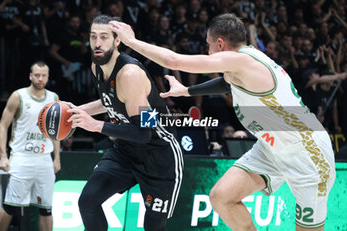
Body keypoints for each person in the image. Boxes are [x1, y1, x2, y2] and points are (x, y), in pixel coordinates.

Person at [111, 13, 336, 231]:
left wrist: (132, 41)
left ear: (220, 44)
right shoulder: (244, 62)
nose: (207, 51)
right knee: (222, 197)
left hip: (308, 153)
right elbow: (227, 82)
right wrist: (187, 91)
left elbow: (173, 60)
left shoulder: (242, 61)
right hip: (272, 149)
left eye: (208, 45)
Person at [66, 15, 183, 231]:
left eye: (104, 37)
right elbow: (111, 100)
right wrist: (76, 111)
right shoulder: (97, 66)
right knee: (88, 202)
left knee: (154, 227)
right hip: (126, 150)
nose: (97, 43)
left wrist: (95, 125)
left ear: (117, 40)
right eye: (93, 37)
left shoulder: (130, 74)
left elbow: (144, 133)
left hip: (158, 154)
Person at [0, 61, 60, 231]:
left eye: (44, 75)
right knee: (10, 205)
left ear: (48, 77)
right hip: (21, 157)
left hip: (44, 158)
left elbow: (55, 131)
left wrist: (57, 158)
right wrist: (3, 156)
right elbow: (3, 126)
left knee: (46, 209)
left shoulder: (53, 98)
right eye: (37, 75)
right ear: (30, 76)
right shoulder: (18, 96)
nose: (40, 79)